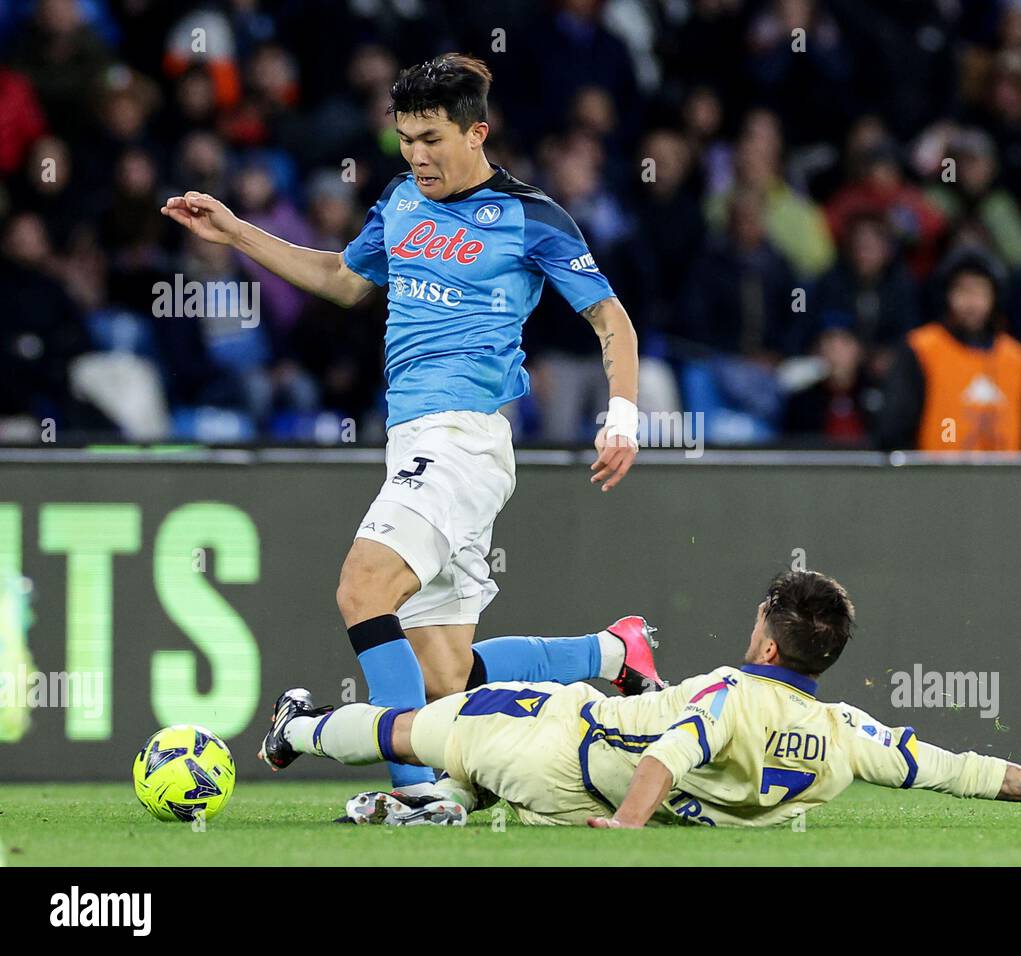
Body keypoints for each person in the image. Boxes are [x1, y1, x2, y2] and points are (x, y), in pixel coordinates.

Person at [163, 54, 658, 801]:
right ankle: (611, 651)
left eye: (431, 138)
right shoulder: (399, 200)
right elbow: (341, 278)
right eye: (405, 139)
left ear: (476, 132)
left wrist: (621, 416)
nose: (417, 155)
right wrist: (238, 234)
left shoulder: (531, 216)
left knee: (364, 588)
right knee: (444, 674)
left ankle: (417, 795)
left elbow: (610, 318)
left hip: (463, 437)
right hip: (413, 439)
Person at [258, 570, 1021, 831]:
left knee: (416, 717)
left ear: (768, 641)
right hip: (591, 787)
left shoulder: (732, 691)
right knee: (486, 750)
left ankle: (295, 729)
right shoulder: (849, 735)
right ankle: (453, 802)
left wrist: (629, 830)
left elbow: (674, 749)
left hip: (562, 745)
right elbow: (965, 771)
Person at [877, 248, 1021, 452]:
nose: (971, 302)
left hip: (1005, 479)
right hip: (936, 478)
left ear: (995, 297)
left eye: (980, 291)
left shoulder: (1017, 359)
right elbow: (894, 431)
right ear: (947, 295)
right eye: (962, 291)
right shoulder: (922, 348)